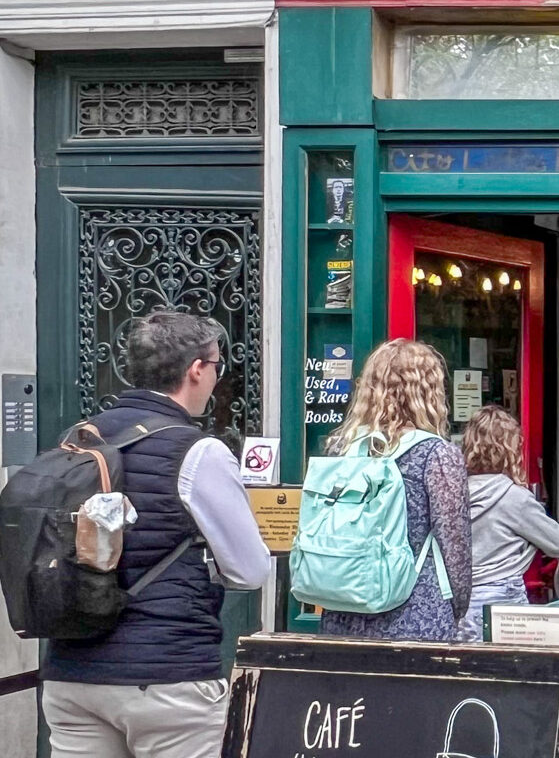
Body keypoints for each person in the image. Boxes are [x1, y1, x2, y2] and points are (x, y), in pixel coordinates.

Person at [40, 311, 271, 758]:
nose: (217, 380)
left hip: (73, 674)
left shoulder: (78, 438)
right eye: (217, 367)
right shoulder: (199, 451)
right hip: (168, 678)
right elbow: (250, 570)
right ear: (196, 370)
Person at [320, 338, 473, 642]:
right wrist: (456, 607)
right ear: (429, 392)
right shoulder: (436, 454)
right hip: (415, 607)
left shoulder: (341, 448)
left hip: (343, 607)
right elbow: (454, 545)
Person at [460, 406, 559, 642]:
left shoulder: (455, 493)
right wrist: (528, 545)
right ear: (510, 449)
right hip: (505, 603)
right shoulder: (514, 498)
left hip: (462, 601)